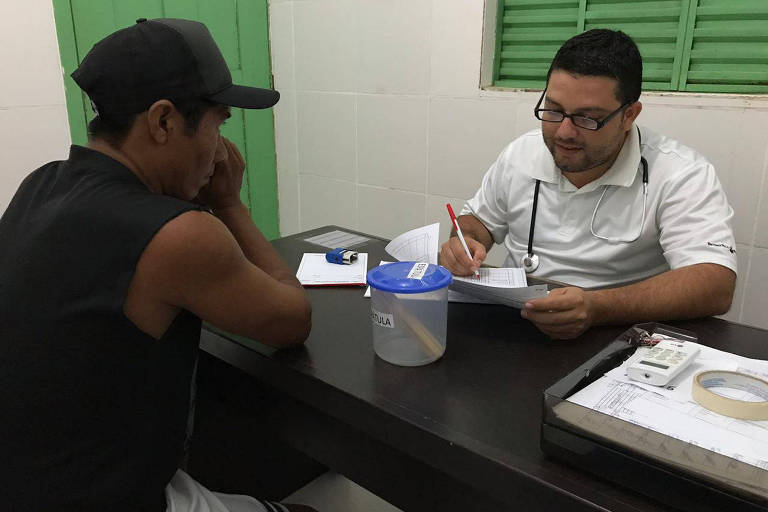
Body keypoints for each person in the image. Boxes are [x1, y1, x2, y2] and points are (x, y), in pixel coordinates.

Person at [0, 18, 316, 512]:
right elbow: (292, 320)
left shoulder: (40, 184)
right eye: (219, 124)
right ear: (164, 121)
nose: (220, 149)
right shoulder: (178, 233)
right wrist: (230, 205)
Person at [440, 29, 736, 340]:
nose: (564, 132)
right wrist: (465, 242)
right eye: (553, 111)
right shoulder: (522, 153)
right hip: (515, 323)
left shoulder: (680, 172)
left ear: (629, 116)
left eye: (587, 119)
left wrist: (597, 307)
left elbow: (714, 284)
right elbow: (478, 221)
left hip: (615, 335)